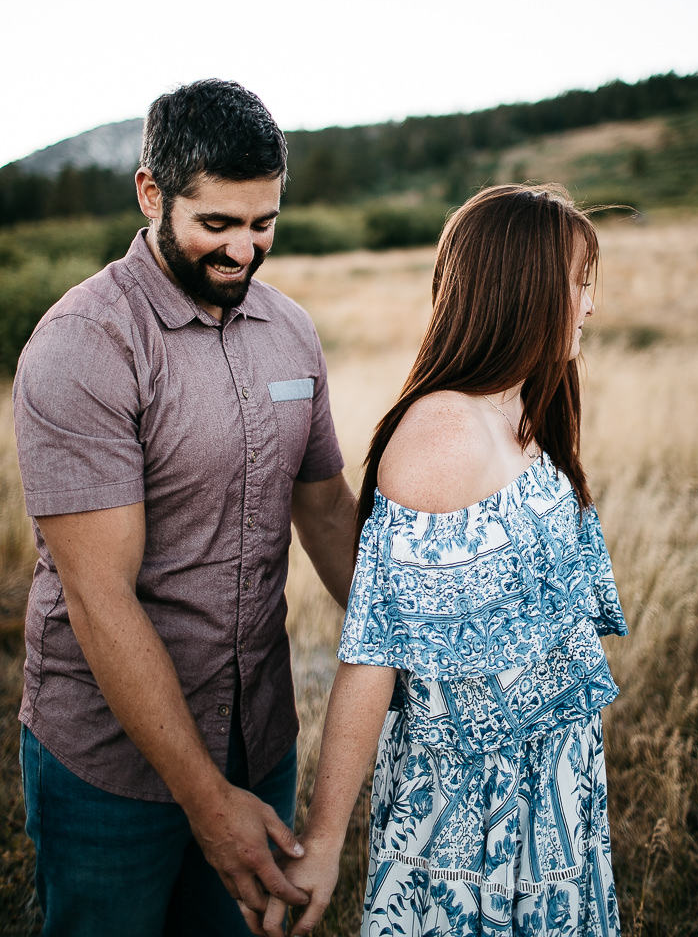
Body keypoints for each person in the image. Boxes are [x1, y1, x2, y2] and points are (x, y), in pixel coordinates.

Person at [12, 79, 356, 937]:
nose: (245, 249)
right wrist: (206, 801)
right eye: (217, 224)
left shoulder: (292, 333)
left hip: (262, 735)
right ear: (151, 194)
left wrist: (422, 646)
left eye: (264, 223)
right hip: (109, 769)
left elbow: (324, 514)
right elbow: (100, 596)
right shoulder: (83, 346)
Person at [254, 184, 628, 937]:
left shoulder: (522, 408)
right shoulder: (444, 436)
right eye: (577, 285)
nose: (590, 307)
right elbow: (375, 650)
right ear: (519, 289)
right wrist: (324, 843)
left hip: (548, 785)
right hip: (473, 814)